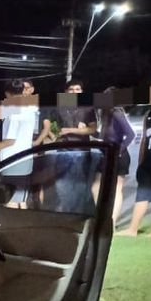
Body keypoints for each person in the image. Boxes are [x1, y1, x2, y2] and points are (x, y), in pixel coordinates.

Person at [120, 88, 151, 237]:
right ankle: (132, 229)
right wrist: (141, 161)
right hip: (148, 163)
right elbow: (143, 140)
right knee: (142, 195)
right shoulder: (149, 114)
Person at [52, 78, 98, 213]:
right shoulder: (59, 108)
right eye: (71, 89)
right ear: (66, 92)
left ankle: (79, 214)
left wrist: (71, 130)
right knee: (62, 185)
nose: (74, 92)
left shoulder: (88, 108)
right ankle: (66, 212)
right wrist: (56, 135)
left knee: (80, 185)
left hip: (81, 152)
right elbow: (54, 128)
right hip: (63, 151)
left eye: (78, 89)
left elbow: (92, 129)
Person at [98, 88, 136, 224]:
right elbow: (107, 136)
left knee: (117, 189)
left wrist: (119, 150)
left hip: (119, 156)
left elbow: (131, 134)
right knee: (98, 186)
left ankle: (112, 222)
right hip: (107, 154)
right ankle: (103, 216)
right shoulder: (105, 114)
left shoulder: (116, 113)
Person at [0, 79, 39, 207]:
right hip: (26, 159)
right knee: (22, 199)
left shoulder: (12, 111)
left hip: (11, 161)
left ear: (7, 93)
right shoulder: (30, 109)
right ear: (23, 90)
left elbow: (10, 140)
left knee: (10, 200)